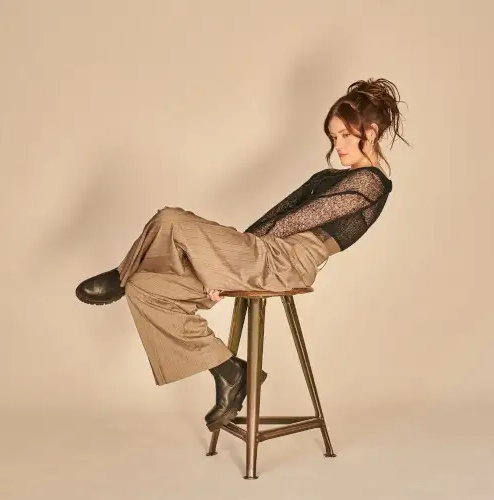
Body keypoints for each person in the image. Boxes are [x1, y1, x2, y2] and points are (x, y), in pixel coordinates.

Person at [75, 77, 410, 432]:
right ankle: (229, 371)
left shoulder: (371, 181)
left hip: (288, 262)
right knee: (145, 288)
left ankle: (120, 275)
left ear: (370, 133)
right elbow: (273, 217)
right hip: (263, 254)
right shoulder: (325, 176)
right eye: (333, 136)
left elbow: (298, 221)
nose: (337, 145)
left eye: (344, 135)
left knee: (170, 218)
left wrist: (229, 258)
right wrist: (223, 263)